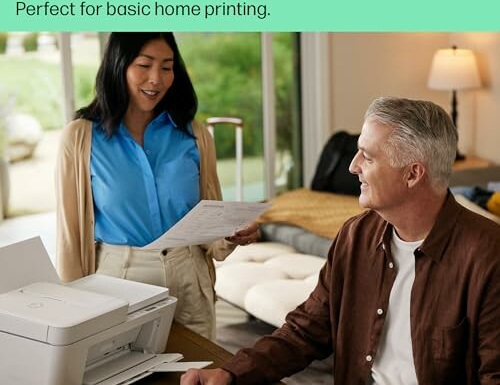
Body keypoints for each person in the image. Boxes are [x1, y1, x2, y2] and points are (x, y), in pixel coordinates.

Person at [181, 97, 500, 384]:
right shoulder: (356, 236)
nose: (353, 166)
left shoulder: (488, 257)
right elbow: (306, 330)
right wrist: (230, 373)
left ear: (413, 174)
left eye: (368, 157)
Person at [55, 32, 259, 340]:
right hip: (118, 281)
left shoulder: (195, 135)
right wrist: (72, 315)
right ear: (118, 65)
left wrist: (233, 234)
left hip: (190, 277)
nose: (157, 79)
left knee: (198, 374)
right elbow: (70, 238)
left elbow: (212, 236)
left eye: (167, 66)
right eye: (145, 65)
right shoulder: (80, 137)